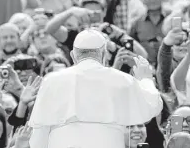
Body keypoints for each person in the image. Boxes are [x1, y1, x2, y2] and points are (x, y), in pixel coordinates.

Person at [28, 29, 162, 148]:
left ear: (73, 56)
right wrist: (145, 80)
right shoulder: (122, 80)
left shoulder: (51, 81)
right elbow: (153, 105)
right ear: (104, 55)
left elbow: (39, 133)